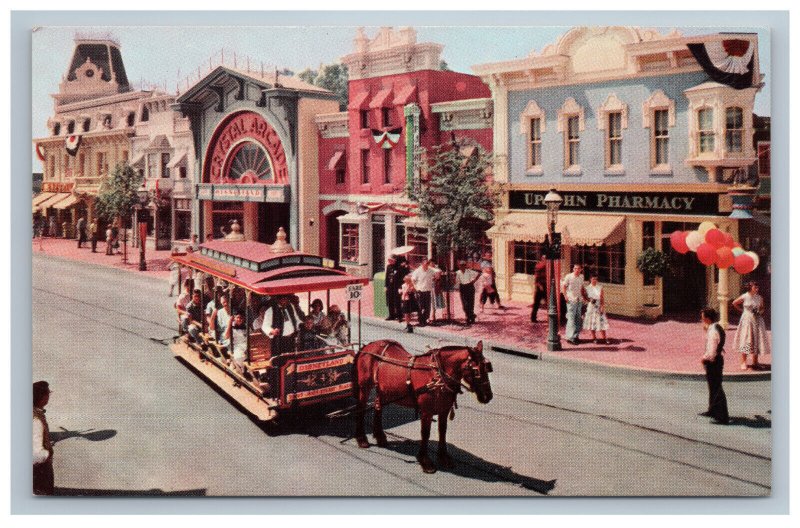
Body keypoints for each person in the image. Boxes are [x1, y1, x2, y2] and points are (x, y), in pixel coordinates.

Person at [700, 308, 730, 425]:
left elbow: (712, 349)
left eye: (702, 316)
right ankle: (712, 410)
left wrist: (705, 358)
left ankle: (722, 416)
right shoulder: (716, 327)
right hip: (718, 360)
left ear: (707, 318)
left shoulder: (712, 331)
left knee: (716, 387)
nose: (701, 318)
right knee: (713, 387)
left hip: (714, 361)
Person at [732, 282, 770, 370]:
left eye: (757, 286)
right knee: (746, 339)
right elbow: (734, 303)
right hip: (747, 320)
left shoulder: (759, 298)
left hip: (757, 320)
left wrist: (759, 312)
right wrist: (743, 311)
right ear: (750, 287)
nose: (757, 288)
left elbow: (762, 308)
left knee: (757, 339)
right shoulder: (745, 296)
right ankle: (743, 362)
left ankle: (755, 362)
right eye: (755, 287)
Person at [33, 380, 54, 495]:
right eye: (48, 393)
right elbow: (35, 454)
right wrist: (47, 454)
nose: (49, 395)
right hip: (40, 469)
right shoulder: (35, 420)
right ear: (42, 397)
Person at [561, 264, 589, 345]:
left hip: (579, 299)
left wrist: (585, 297)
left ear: (581, 269)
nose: (576, 270)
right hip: (571, 300)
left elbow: (582, 288)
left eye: (578, 268)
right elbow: (564, 287)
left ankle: (576, 336)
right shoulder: (568, 276)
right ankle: (570, 337)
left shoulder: (581, 277)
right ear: (573, 269)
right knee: (571, 318)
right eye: (575, 268)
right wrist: (565, 296)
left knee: (578, 318)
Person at [411, 259, 440, 327]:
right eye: (425, 263)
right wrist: (415, 287)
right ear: (422, 264)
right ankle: (421, 321)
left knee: (427, 307)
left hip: (427, 290)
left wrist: (435, 278)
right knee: (420, 307)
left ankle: (425, 319)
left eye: (427, 263)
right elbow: (413, 279)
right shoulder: (417, 271)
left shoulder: (431, 270)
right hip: (420, 291)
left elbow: (438, 272)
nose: (426, 265)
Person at [584, 273, 609, 344]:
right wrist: (589, 300)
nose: (594, 280)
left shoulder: (600, 287)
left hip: (598, 305)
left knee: (601, 322)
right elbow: (586, 298)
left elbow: (602, 298)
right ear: (590, 279)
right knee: (592, 322)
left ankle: (604, 338)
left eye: (595, 279)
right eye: (593, 279)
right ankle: (594, 338)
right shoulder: (587, 288)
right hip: (591, 306)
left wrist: (602, 306)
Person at [455, 260, 480, 325]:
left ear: (465, 266)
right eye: (461, 265)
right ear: (459, 266)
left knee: (470, 303)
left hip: (469, 287)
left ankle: (469, 318)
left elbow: (478, 274)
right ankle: (472, 316)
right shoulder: (458, 272)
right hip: (462, 287)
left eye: (463, 265)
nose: (462, 267)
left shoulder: (469, 271)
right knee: (464, 304)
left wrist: (473, 281)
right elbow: (457, 281)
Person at [225, 311, 249, 375]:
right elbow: (226, 336)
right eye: (237, 318)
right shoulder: (232, 327)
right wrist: (229, 324)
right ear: (234, 318)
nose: (239, 319)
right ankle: (243, 368)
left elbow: (251, 337)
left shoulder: (246, 326)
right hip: (237, 346)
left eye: (241, 318)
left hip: (246, 345)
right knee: (239, 357)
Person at [384, 256, 402, 322]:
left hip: (396, 286)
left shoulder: (399, 267)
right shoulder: (388, 267)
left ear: (394, 260)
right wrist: (385, 286)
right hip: (390, 286)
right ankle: (391, 315)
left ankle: (399, 316)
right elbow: (386, 276)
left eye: (391, 260)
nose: (389, 261)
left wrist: (400, 287)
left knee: (397, 301)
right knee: (390, 301)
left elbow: (401, 278)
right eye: (389, 260)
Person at [531, 254, 547, 322]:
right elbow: (537, 278)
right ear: (543, 259)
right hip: (540, 286)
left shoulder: (546, 266)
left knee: (549, 303)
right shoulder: (539, 266)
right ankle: (533, 318)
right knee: (537, 303)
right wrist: (540, 286)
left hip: (545, 285)